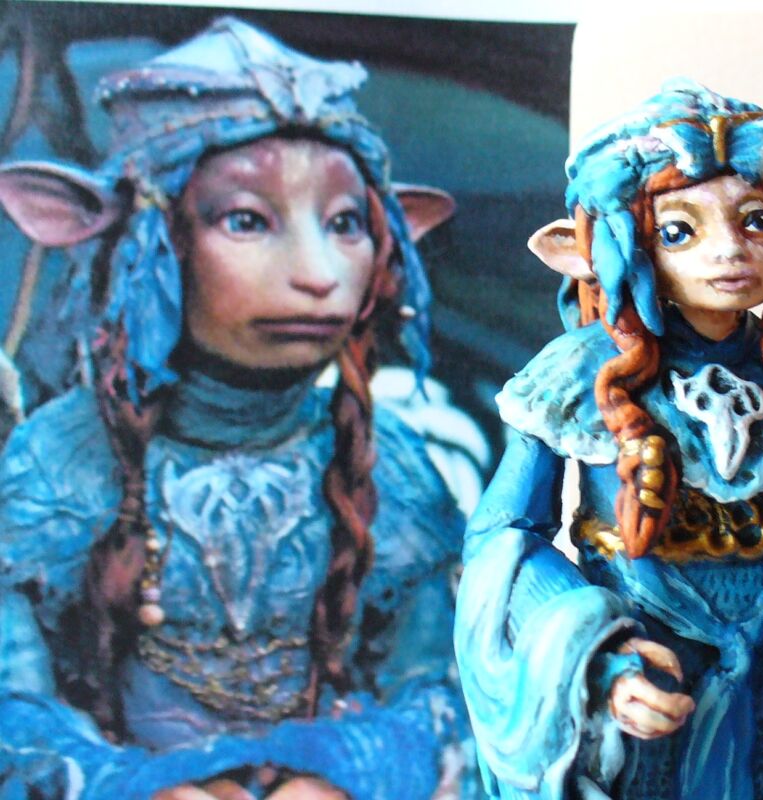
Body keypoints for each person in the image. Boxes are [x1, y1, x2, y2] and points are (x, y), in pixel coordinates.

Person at [0, 17, 475, 800]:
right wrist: (133, 787)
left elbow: (445, 688)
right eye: (247, 219)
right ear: (146, 242)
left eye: (346, 224)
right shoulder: (58, 465)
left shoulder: (389, 466)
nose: (318, 273)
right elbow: (11, 707)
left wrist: (349, 772)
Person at [454, 81, 763, 800]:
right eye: (679, 231)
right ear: (612, 247)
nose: (729, 250)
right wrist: (593, 657)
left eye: (755, 221)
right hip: (647, 674)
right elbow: (505, 539)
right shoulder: (574, 374)